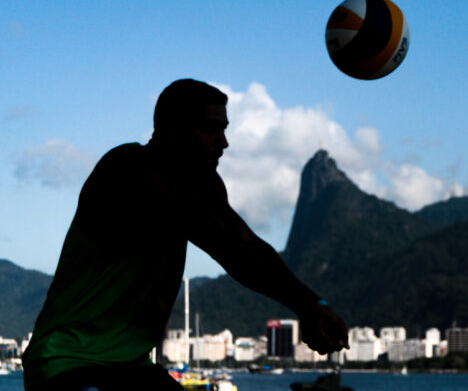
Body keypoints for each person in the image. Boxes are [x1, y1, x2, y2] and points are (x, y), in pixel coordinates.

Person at [23, 79, 348, 391]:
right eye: (209, 129)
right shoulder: (127, 169)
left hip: (133, 367)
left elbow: (248, 244)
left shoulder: (204, 186)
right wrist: (307, 307)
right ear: (170, 130)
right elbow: (230, 247)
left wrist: (314, 304)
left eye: (224, 129)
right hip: (67, 362)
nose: (223, 142)